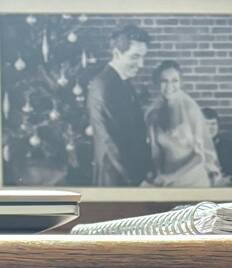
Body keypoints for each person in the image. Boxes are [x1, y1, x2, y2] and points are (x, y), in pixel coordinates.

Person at [86, 24, 152, 186]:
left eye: (143, 57)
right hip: (116, 176)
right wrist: (137, 181)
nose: (141, 64)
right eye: (135, 57)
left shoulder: (122, 81)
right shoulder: (103, 86)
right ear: (116, 54)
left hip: (129, 174)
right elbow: (111, 143)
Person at [146, 60, 222, 187]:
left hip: (193, 179)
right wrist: (159, 174)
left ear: (181, 82)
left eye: (175, 81)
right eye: (164, 81)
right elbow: (156, 151)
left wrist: (172, 177)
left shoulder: (191, 110)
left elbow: (200, 156)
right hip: (166, 179)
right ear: (157, 83)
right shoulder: (152, 114)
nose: (169, 86)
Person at [202, 107, 232, 185]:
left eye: (213, 124)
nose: (210, 127)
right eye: (206, 124)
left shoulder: (231, 146)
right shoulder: (193, 147)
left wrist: (230, 181)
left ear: (218, 126)